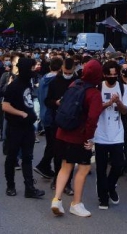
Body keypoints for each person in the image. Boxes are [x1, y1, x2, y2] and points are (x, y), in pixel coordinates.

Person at [50, 59, 103, 217]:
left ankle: (56, 200)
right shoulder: (94, 93)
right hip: (79, 136)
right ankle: (76, 203)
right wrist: (89, 138)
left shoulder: (74, 84)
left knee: (65, 166)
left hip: (62, 132)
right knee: (84, 168)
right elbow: (93, 119)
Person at [2, 57, 46, 199]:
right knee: (12, 157)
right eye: (31, 68)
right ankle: (10, 186)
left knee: (28, 157)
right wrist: (21, 113)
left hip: (28, 128)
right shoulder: (13, 86)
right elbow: (5, 105)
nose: (34, 71)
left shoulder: (28, 83)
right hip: (15, 128)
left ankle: (29, 188)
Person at [93, 60, 127, 210]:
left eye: (115, 74)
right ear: (104, 74)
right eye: (110, 75)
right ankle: (103, 197)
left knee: (119, 165)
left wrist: (118, 102)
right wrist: (108, 103)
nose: (113, 77)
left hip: (117, 133)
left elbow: (125, 111)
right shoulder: (98, 88)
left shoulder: (123, 88)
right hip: (100, 133)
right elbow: (94, 110)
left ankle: (110, 186)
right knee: (101, 167)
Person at [44, 57, 79, 192]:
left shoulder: (77, 83)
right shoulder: (54, 82)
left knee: (69, 155)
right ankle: (57, 179)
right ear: (62, 68)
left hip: (72, 123)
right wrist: (56, 102)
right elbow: (47, 101)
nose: (67, 74)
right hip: (57, 121)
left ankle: (68, 182)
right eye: (66, 71)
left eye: (70, 73)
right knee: (58, 153)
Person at [35, 57, 63, 180]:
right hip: (51, 115)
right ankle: (43, 165)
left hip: (44, 114)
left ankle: (45, 166)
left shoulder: (44, 79)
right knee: (54, 144)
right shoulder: (55, 81)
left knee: (51, 143)